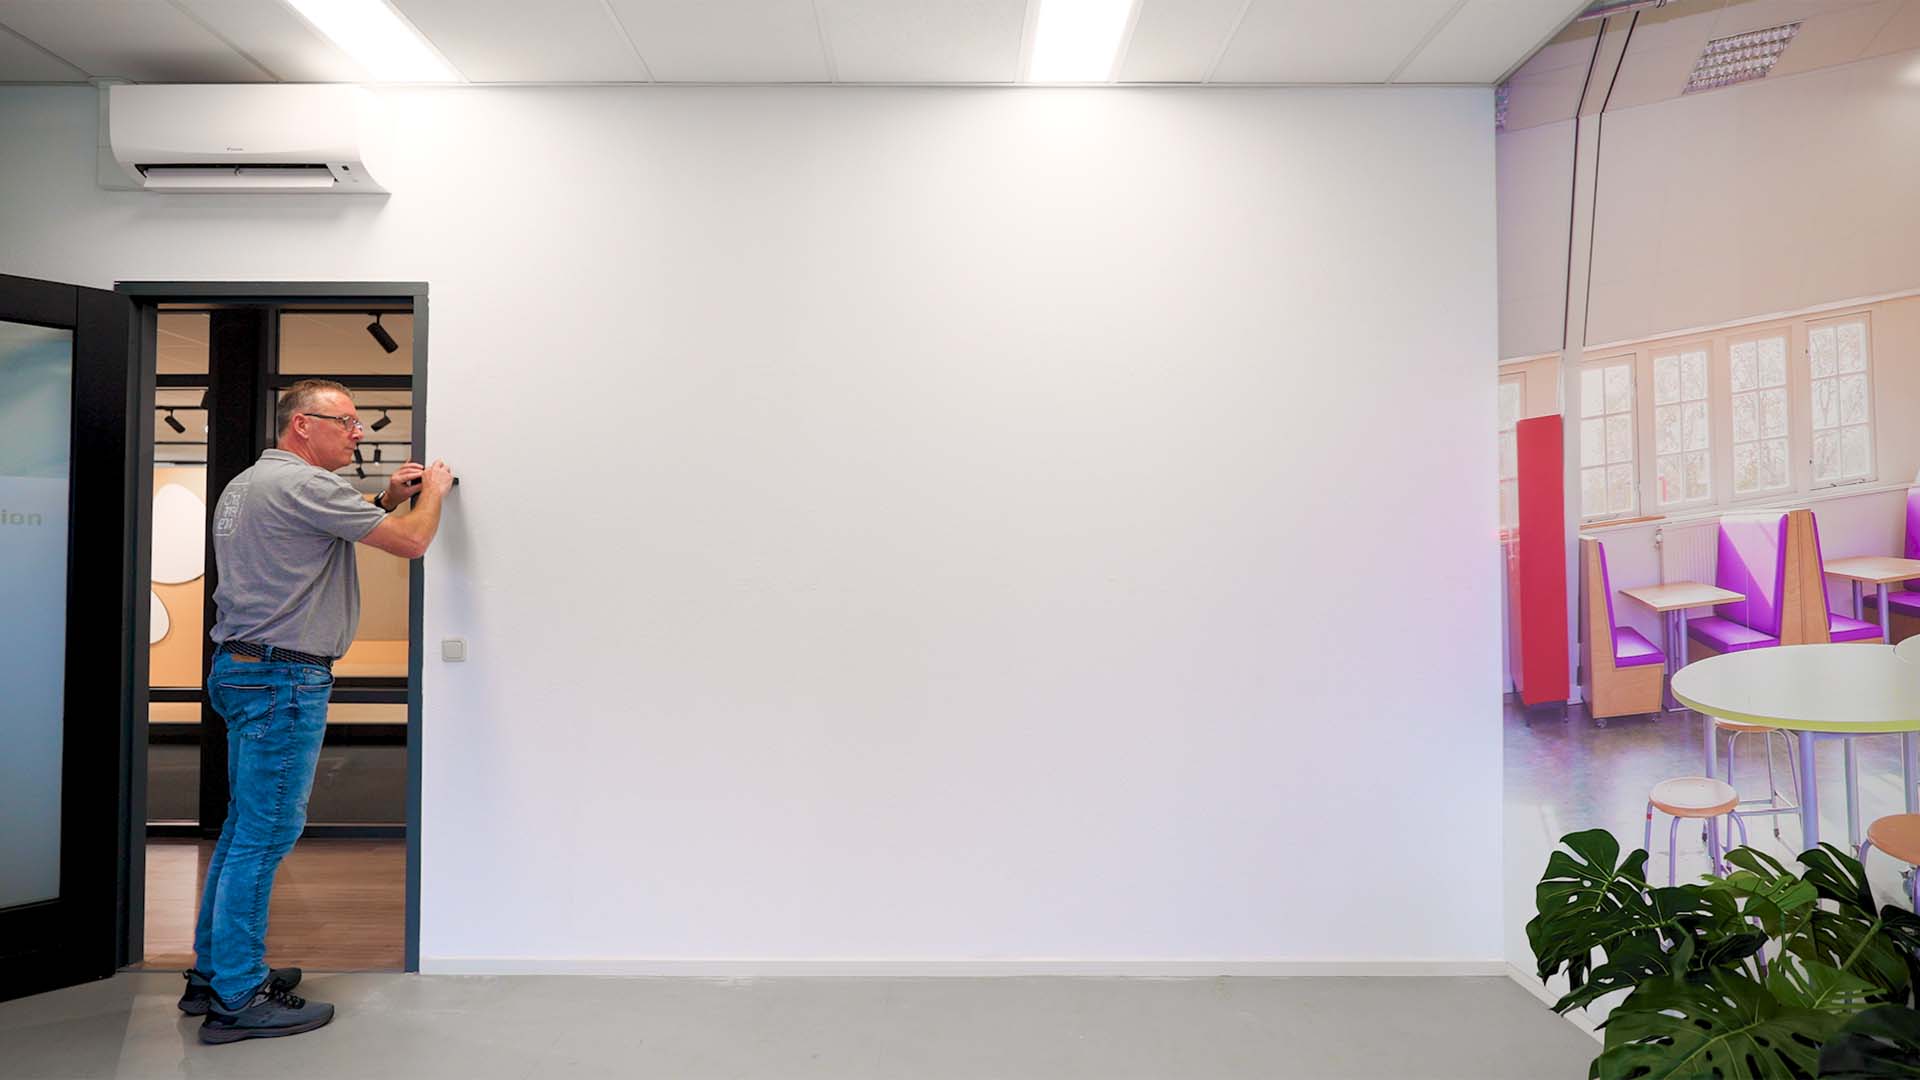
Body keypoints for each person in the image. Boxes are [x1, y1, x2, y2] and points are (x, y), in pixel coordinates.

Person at [183, 378, 453, 1044]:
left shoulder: (251, 483)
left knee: (243, 830)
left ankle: (214, 975)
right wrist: (435, 492)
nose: (358, 433)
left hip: (244, 668)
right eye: (347, 422)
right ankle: (239, 997)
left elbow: (323, 533)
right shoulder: (306, 484)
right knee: (264, 835)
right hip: (283, 678)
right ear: (302, 424)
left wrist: (385, 499)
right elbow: (411, 543)